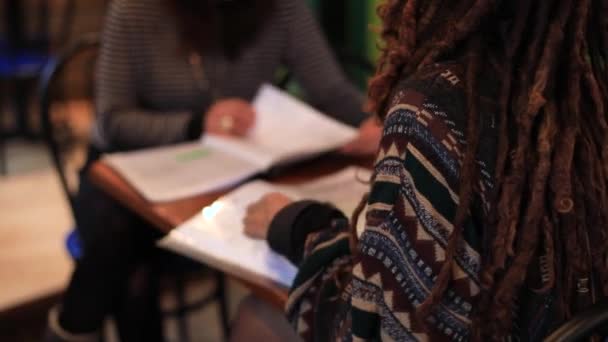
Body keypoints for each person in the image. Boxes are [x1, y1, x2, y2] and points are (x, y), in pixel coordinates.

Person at [241, 0, 608, 340]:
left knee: (255, 318)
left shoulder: (434, 111)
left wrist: (301, 226)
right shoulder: (587, 87)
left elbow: (383, 328)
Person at [46, 0, 382, 340]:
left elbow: (330, 90)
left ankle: (69, 328)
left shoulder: (278, 9)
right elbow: (111, 121)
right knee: (123, 244)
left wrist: (373, 125)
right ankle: (74, 327)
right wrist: (196, 124)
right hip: (130, 169)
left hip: (221, 172)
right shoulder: (136, 9)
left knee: (268, 231)